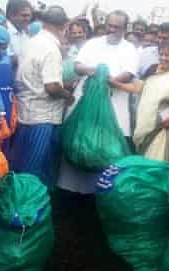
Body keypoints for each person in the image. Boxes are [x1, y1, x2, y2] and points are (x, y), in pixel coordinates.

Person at [58, 9, 137, 194]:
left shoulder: (129, 49)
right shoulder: (92, 44)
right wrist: (92, 71)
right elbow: (78, 66)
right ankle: (70, 192)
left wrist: (109, 80)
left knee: (107, 147)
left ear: (125, 28)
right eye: (109, 25)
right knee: (79, 140)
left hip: (113, 105)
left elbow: (129, 73)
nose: (111, 30)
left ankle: (102, 190)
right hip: (84, 102)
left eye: (117, 27)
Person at [11, 6, 73, 188]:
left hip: (26, 113)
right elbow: (52, 87)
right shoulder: (51, 49)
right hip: (42, 118)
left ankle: (20, 207)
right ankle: (29, 211)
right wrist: (67, 95)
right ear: (65, 25)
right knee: (34, 172)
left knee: (22, 167)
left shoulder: (32, 41)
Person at [113, 39, 169, 161]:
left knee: (154, 164)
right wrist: (114, 82)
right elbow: (137, 88)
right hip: (143, 125)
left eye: (167, 55)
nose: (162, 58)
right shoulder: (153, 70)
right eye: (160, 54)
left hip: (162, 129)